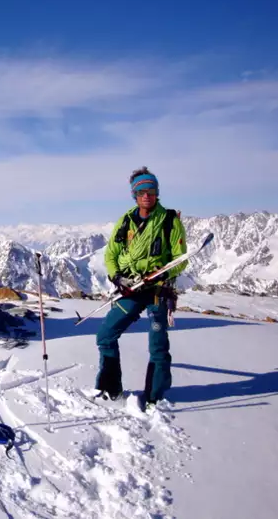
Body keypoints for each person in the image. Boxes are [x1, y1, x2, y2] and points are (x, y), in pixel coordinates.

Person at [95, 166, 188, 408]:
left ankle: (155, 397)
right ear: (134, 195)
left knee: (157, 345)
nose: (147, 195)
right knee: (106, 335)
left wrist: (162, 273)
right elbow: (111, 254)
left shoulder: (169, 221)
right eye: (141, 191)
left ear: (157, 193)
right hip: (132, 289)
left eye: (151, 190)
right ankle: (110, 388)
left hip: (157, 291)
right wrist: (118, 277)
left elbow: (181, 259)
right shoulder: (126, 221)